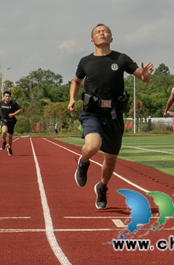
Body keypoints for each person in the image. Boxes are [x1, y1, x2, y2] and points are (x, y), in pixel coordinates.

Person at [68, 24, 153, 210]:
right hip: (92, 113)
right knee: (92, 145)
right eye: (98, 32)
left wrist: (145, 75)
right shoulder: (85, 61)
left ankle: (101, 187)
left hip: (114, 114)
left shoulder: (121, 59)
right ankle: (83, 163)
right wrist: (72, 99)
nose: (102, 33)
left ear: (111, 38)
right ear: (92, 40)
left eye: (106, 31)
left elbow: (142, 77)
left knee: (111, 158)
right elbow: (76, 81)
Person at [0, 91, 23, 156]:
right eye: (6, 96)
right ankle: (4, 141)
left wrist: (13, 114)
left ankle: (9, 148)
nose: (7, 97)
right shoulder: (1, 103)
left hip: (11, 121)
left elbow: (20, 110)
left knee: (10, 136)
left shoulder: (13, 103)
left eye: (8, 96)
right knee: (4, 131)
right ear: (3, 97)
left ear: (10, 97)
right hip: (3, 120)